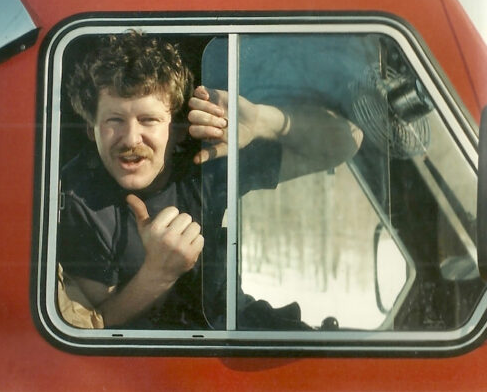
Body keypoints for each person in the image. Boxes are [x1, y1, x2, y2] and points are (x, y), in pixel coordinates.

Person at [58, 31, 362, 329]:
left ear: (177, 130)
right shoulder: (74, 200)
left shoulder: (205, 167)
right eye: (114, 121)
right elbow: (94, 328)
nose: (131, 138)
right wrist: (158, 274)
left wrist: (261, 121)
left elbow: (348, 141)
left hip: (232, 338)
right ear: (91, 130)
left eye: (148, 120)